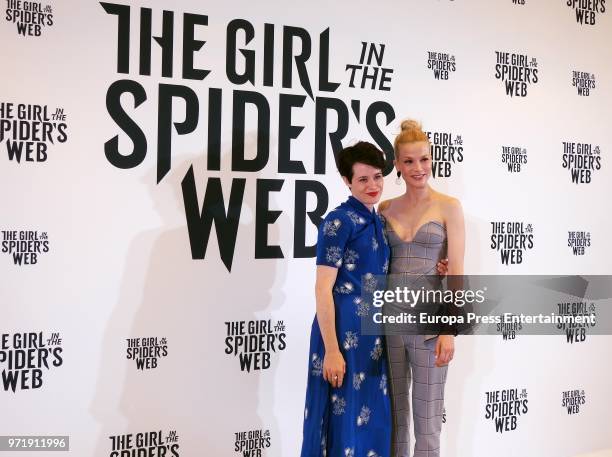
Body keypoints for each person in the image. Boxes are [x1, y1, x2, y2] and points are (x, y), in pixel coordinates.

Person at [379, 120, 465, 457]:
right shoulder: (385, 209)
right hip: (388, 325)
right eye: (409, 161)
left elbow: (456, 270)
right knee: (395, 421)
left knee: (428, 424)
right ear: (397, 165)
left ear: (432, 160)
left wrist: (450, 329)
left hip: (431, 327)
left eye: (424, 159)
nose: (419, 168)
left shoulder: (449, 207)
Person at [300, 141, 391, 457]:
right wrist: (332, 351)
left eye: (377, 177)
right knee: (343, 421)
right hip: (343, 332)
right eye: (363, 179)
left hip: (373, 330)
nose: (373, 186)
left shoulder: (377, 219)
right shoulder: (338, 221)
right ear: (347, 181)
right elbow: (322, 288)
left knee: (372, 420)